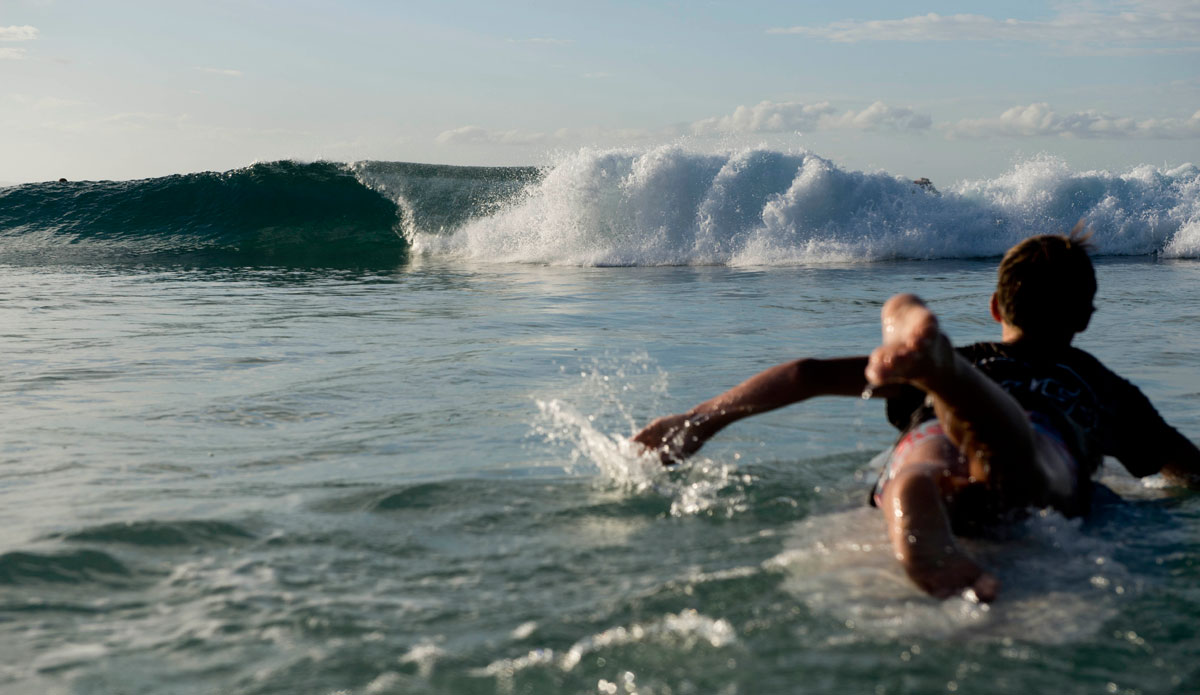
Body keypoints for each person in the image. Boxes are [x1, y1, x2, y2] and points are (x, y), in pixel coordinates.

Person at [632, 230, 1200, 602]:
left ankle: (926, 436)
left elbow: (805, 372)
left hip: (933, 420)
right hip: (1041, 441)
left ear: (996, 307)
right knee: (1026, 463)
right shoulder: (1107, 388)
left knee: (923, 464)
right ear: (1086, 317)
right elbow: (1189, 472)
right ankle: (949, 387)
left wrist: (698, 420)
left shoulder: (973, 356)